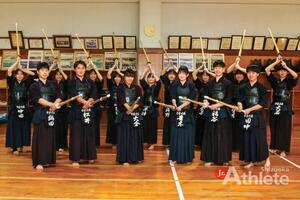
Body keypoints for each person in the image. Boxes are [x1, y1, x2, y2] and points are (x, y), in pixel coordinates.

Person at [29, 62, 62, 170]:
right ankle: (38, 162)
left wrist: (56, 104)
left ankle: (49, 160)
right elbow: (38, 99)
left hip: (51, 113)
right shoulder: (34, 85)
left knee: (50, 137)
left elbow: (59, 96)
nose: (45, 72)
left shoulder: (54, 84)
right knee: (40, 138)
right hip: (40, 113)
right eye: (42, 70)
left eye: (46, 70)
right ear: (38, 72)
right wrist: (51, 104)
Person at [237, 64, 270, 169]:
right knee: (248, 139)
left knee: (260, 138)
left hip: (257, 116)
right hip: (246, 117)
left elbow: (262, 104)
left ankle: (267, 159)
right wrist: (240, 104)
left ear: (257, 74)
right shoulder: (242, 87)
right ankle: (251, 160)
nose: (251, 75)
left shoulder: (261, 88)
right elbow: (240, 99)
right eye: (249, 73)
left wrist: (250, 109)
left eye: (253, 73)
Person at [200, 60, 233, 166]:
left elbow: (229, 99)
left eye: (220, 67)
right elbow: (205, 96)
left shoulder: (228, 83)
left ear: (223, 69)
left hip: (223, 112)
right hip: (211, 112)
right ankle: (210, 158)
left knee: (222, 135)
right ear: (213, 69)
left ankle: (224, 159)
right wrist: (205, 102)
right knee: (210, 134)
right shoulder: (209, 83)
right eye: (216, 67)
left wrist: (217, 105)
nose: (217, 69)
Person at [265, 55, 298, 157]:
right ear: (278, 72)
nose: (282, 72)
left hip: (285, 107)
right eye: (280, 71)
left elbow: (296, 75)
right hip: (275, 106)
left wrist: (286, 66)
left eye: (284, 71)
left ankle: (283, 149)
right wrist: (276, 62)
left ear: (287, 72)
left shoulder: (289, 82)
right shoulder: (275, 81)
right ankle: (274, 147)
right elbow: (267, 69)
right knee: (274, 126)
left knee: (284, 128)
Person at [68, 60, 98, 168]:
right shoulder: (71, 82)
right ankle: (76, 158)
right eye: (78, 68)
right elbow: (74, 95)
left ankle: (89, 156)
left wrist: (89, 101)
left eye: (83, 68)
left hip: (88, 110)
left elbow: (94, 93)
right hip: (76, 111)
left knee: (89, 133)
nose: (81, 70)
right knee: (76, 134)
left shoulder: (90, 81)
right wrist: (84, 102)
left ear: (85, 70)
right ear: (75, 69)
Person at [6, 57, 35, 155]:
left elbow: (33, 74)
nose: (19, 76)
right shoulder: (11, 82)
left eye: (21, 74)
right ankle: (14, 147)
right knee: (14, 127)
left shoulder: (26, 83)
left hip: (24, 108)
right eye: (18, 74)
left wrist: (22, 68)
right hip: (14, 108)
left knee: (23, 127)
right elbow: (9, 70)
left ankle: (22, 145)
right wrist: (16, 62)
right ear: (15, 75)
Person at [115, 68, 144, 165]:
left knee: (135, 136)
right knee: (124, 137)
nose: (130, 78)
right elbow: (122, 100)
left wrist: (132, 109)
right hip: (124, 115)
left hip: (134, 115)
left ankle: (135, 157)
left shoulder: (137, 88)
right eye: (128, 76)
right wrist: (128, 108)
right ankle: (125, 159)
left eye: (131, 77)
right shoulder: (120, 87)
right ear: (124, 77)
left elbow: (139, 101)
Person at [169, 66, 196, 165]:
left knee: (187, 136)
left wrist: (182, 106)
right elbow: (172, 97)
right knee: (176, 136)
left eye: (184, 73)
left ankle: (187, 157)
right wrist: (175, 105)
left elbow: (190, 99)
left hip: (187, 113)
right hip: (177, 113)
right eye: (180, 73)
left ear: (187, 75)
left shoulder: (191, 85)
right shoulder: (175, 84)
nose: (181, 75)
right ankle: (175, 157)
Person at [226, 57, 247, 152]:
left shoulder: (246, 83)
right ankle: (232, 146)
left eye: (240, 74)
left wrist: (239, 66)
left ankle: (240, 146)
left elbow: (250, 72)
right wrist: (235, 62)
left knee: (241, 126)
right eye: (237, 74)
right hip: (232, 107)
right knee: (232, 126)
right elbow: (228, 71)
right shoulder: (232, 82)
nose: (239, 76)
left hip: (242, 107)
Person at [140, 62, 161, 150]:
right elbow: (141, 79)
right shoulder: (146, 87)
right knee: (145, 126)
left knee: (152, 127)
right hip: (145, 109)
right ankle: (145, 141)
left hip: (153, 110)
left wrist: (153, 71)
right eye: (150, 77)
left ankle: (152, 143)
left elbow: (159, 81)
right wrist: (147, 69)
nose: (151, 79)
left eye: (152, 77)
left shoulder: (156, 87)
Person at [49, 59, 69, 152]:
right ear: (54, 76)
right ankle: (53, 145)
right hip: (52, 108)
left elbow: (67, 78)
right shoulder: (51, 83)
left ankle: (62, 145)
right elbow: (46, 74)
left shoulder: (64, 84)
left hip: (63, 109)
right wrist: (53, 65)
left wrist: (60, 69)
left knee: (62, 127)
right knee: (54, 127)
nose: (59, 76)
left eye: (60, 74)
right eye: (57, 74)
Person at [192, 67, 213, 148]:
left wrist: (208, 71)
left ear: (209, 77)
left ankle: (206, 143)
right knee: (199, 125)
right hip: (200, 108)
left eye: (207, 75)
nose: (205, 77)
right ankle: (198, 143)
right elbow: (193, 74)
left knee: (207, 126)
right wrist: (201, 67)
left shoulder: (212, 84)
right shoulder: (200, 85)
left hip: (209, 108)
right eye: (203, 75)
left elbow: (218, 75)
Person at [106, 59, 123, 148]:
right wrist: (114, 65)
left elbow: (129, 77)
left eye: (119, 77)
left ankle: (121, 141)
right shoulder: (111, 85)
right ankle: (113, 142)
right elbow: (108, 74)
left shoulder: (123, 86)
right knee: (112, 124)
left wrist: (119, 71)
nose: (117, 78)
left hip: (121, 108)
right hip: (112, 108)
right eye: (116, 77)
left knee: (120, 124)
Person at [160, 60, 177, 147]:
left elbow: (179, 72)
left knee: (174, 122)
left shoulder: (177, 83)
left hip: (175, 106)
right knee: (167, 123)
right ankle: (167, 142)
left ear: (175, 76)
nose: (171, 75)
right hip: (167, 106)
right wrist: (168, 65)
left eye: (173, 74)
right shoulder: (166, 81)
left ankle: (173, 141)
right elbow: (162, 74)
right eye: (170, 74)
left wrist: (173, 65)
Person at [87, 61, 103, 148]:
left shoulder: (98, 84)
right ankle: (89, 142)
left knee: (96, 126)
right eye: (91, 74)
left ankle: (96, 143)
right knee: (88, 124)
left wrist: (94, 67)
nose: (93, 75)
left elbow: (101, 79)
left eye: (94, 74)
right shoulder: (86, 83)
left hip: (96, 108)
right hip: (88, 106)